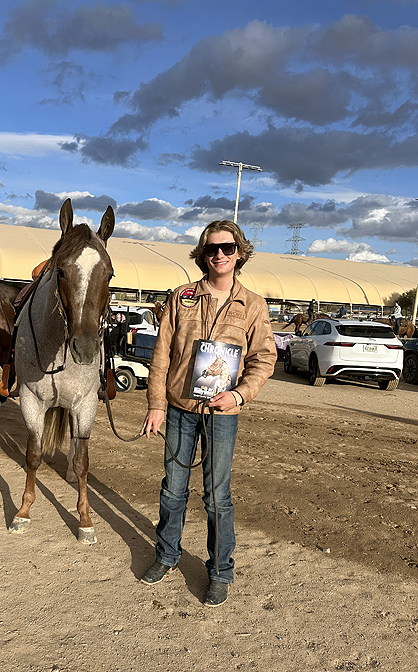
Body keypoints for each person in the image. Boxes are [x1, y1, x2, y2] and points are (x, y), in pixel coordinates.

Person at [140, 220, 277, 606]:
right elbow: (162, 354)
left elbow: (264, 358)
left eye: (227, 248)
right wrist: (156, 405)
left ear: (239, 253)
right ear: (202, 255)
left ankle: (219, 571)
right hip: (180, 410)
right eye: (212, 249)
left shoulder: (253, 305)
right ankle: (167, 555)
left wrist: (239, 395)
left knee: (217, 497)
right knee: (173, 490)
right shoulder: (181, 297)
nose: (219, 254)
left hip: (222, 416)